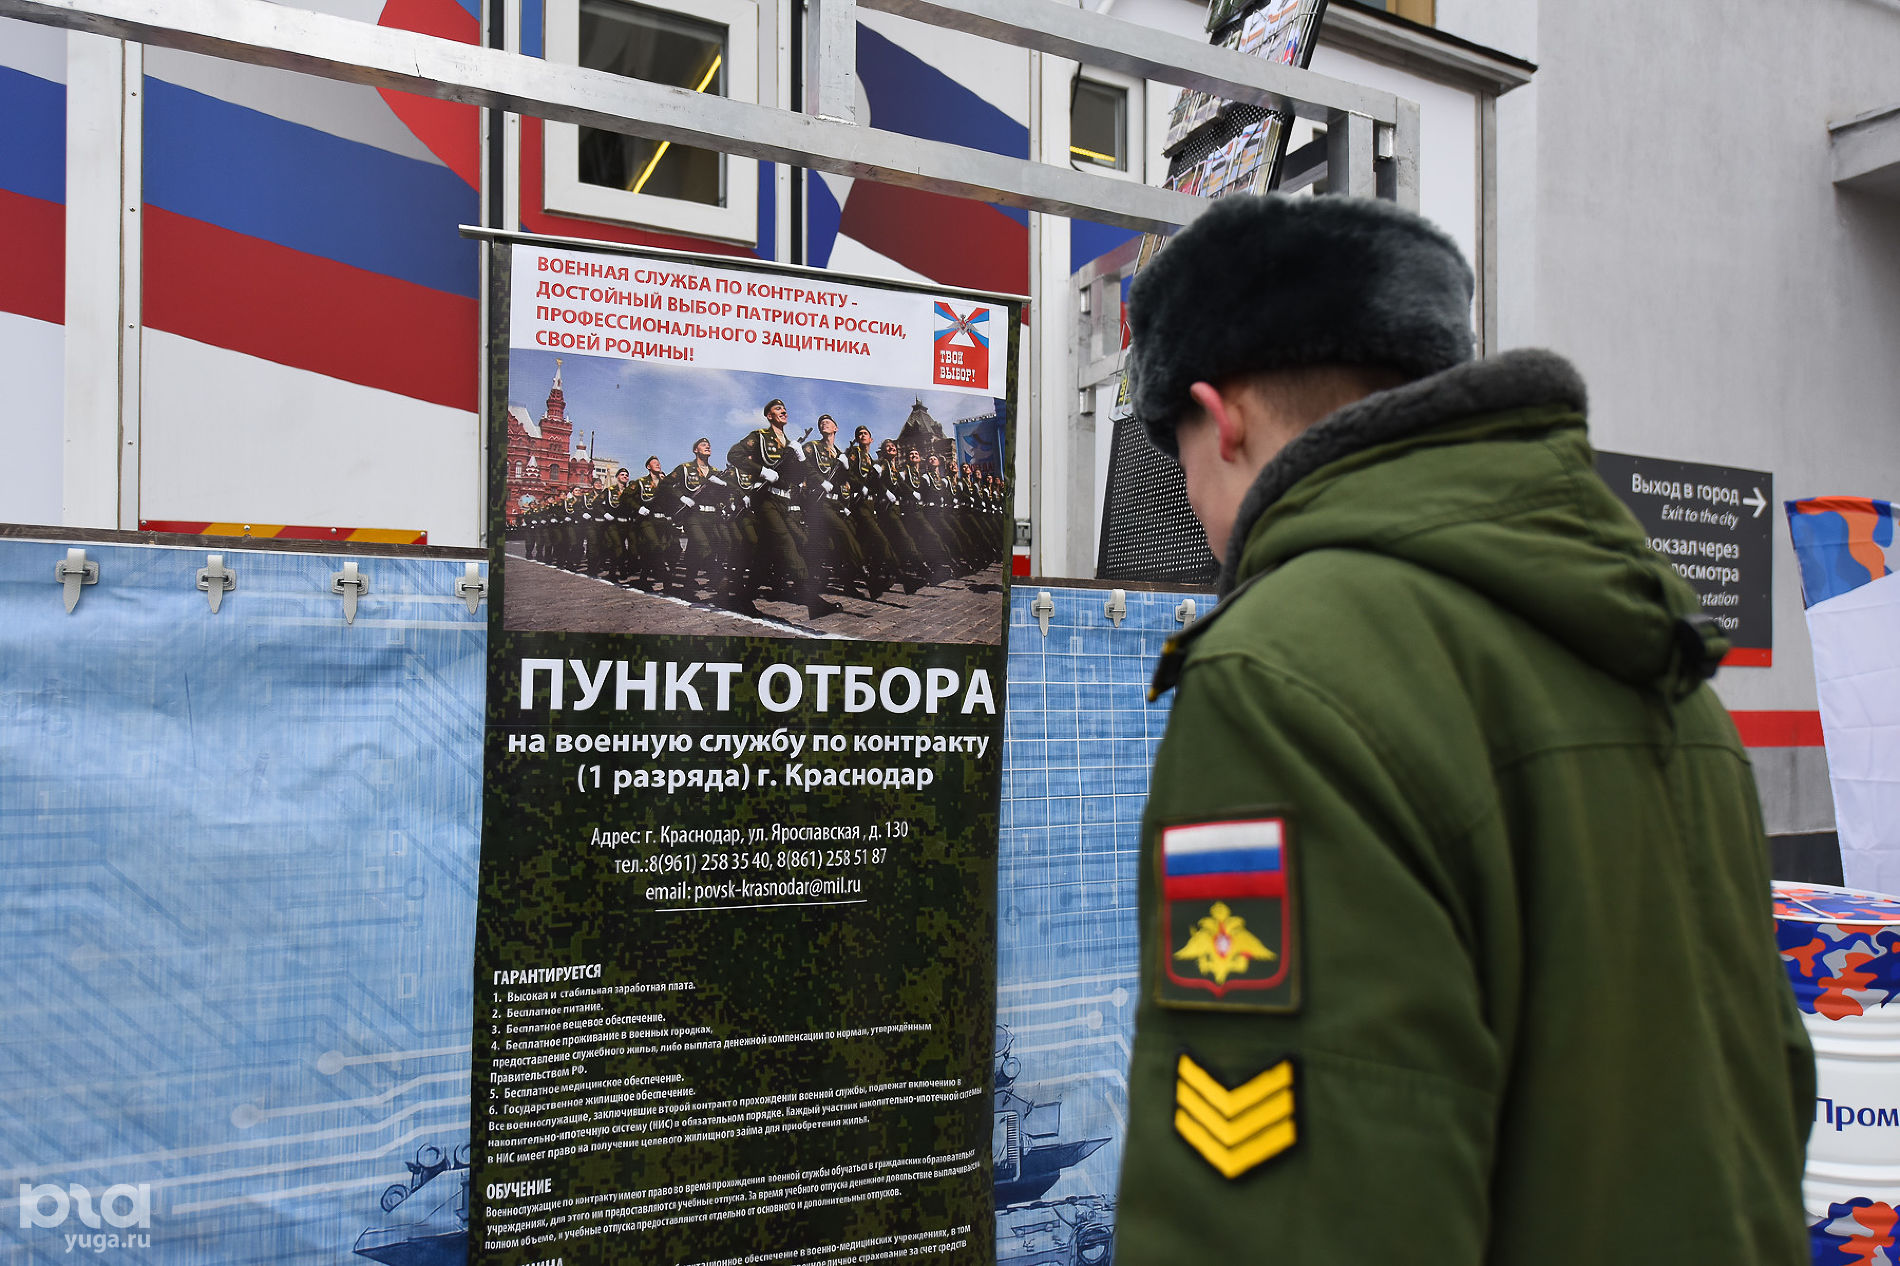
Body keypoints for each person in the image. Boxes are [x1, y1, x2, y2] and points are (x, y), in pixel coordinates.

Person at [1114, 194, 1813, 1263]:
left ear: (1224, 417)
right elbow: (1769, 1082)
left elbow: (1288, 1213)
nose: (1194, 503)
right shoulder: (1664, 664)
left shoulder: (1279, 670)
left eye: (1179, 456)